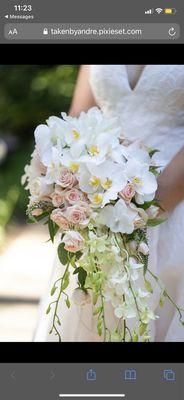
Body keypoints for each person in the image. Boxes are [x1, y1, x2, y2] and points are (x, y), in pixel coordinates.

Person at [34, 65, 184, 341]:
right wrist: (69, 186)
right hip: (100, 209)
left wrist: (146, 204)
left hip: (175, 204)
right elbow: (76, 120)